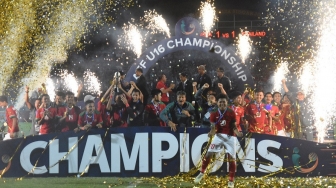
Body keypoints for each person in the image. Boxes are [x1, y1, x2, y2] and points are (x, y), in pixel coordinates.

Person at [194, 94, 243, 187]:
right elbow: (213, 127)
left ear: (227, 103)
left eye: (224, 102)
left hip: (230, 137)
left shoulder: (231, 112)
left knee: (232, 158)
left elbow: (233, 125)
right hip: (219, 136)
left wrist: (237, 132)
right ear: (217, 103)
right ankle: (201, 173)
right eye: (220, 102)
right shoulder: (213, 113)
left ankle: (231, 180)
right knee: (208, 154)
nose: (222, 104)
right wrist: (212, 132)